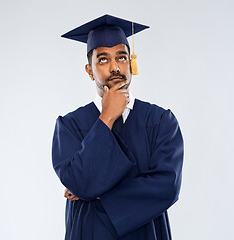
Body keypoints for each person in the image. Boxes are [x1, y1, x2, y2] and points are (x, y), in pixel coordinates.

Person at [52, 14, 184, 240]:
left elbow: (167, 187)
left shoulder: (161, 121)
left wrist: (97, 195)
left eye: (122, 57)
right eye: (103, 60)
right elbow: (80, 182)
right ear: (89, 70)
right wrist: (107, 117)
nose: (115, 67)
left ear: (131, 63)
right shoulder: (70, 125)